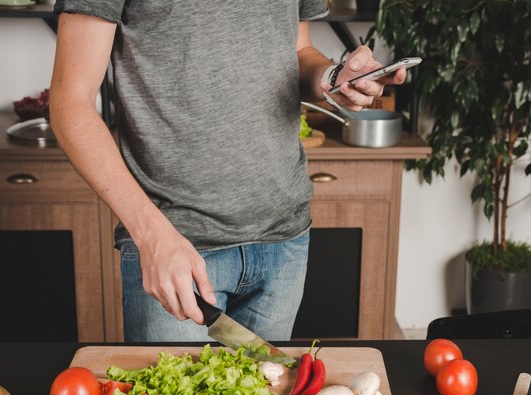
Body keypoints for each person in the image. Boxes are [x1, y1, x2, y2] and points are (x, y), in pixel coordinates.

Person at [50, 1, 407, 342]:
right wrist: (152, 237)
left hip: (283, 240)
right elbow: (71, 102)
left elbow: (297, 51)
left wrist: (334, 77)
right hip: (176, 247)